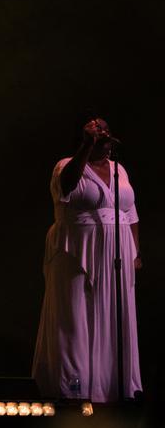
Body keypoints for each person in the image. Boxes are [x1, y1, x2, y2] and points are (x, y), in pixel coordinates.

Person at [32, 118, 142, 402]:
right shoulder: (66, 165)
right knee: (76, 316)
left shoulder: (120, 170)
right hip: (76, 249)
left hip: (116, 252)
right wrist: (86, 146)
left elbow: (130, 214)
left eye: (104, 127)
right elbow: (67, 186)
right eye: (94, 128)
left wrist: (136, 252)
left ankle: (114, 387)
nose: (101, 130)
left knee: (115, 316)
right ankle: (73, 389)